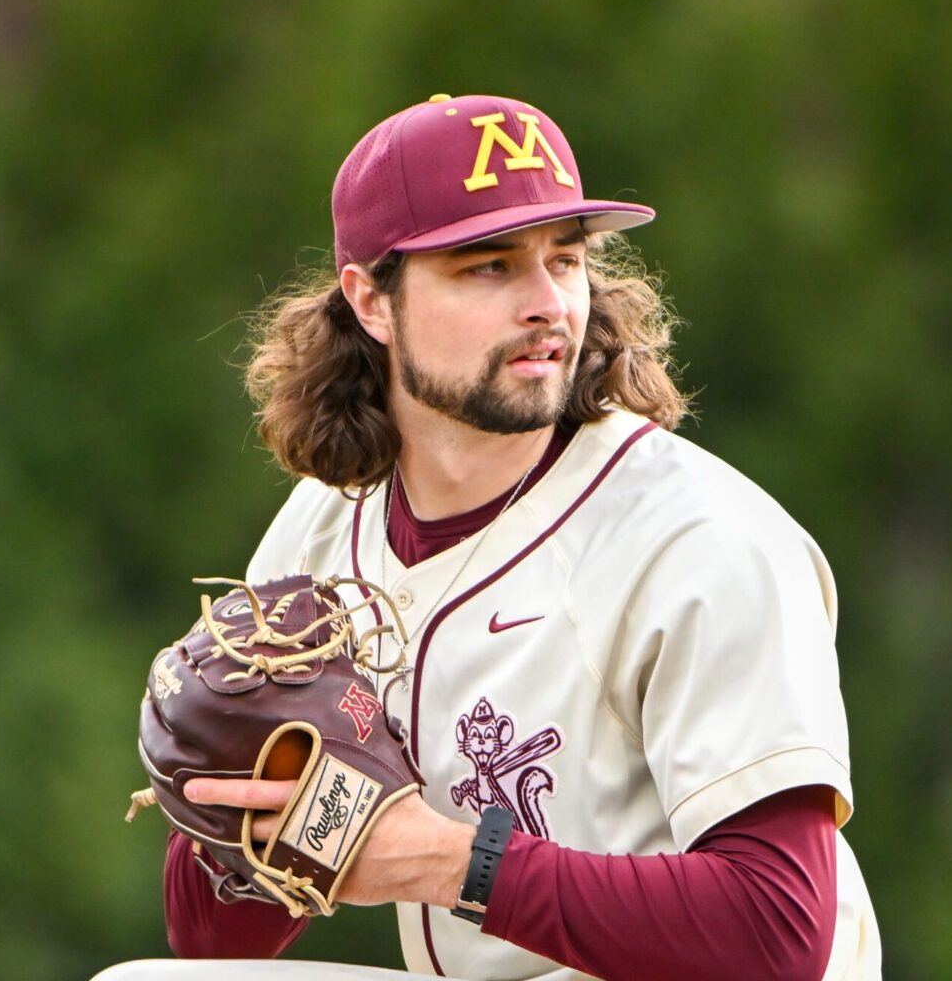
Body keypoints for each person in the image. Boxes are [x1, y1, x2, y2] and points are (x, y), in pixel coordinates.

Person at [163, 94, 881, 981]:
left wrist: (438, 859)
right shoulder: (322, 528)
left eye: (566, 260)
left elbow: (778, 937)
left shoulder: (699, 538)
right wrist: (232, 800)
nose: (548, 304)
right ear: (371, 300)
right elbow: (213, 942)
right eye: (488, 267)